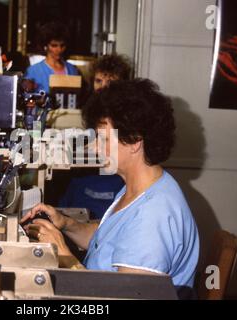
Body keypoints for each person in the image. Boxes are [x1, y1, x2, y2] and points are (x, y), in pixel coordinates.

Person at [21, 79, 200, 291]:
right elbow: (106, 243)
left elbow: (121, 298)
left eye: (103, 139)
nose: (94, 148)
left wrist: (63, 256)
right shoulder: (140, 186)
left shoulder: (154, 216)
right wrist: (67, 224)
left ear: (134, 141)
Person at [58, 54, 133, 220]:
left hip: (113, 178)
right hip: (95, 171)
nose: (103, 87)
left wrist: (79, 149)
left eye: (110, 82)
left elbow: (109, 145)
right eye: (98, 81)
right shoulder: (95, 106)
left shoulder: (125, 112)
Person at [24, 21, 79, 93]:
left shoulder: (72, 70)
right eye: (54, 45)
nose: (59, 49)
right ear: (45, 46)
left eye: (62, 45)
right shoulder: (33, 71)